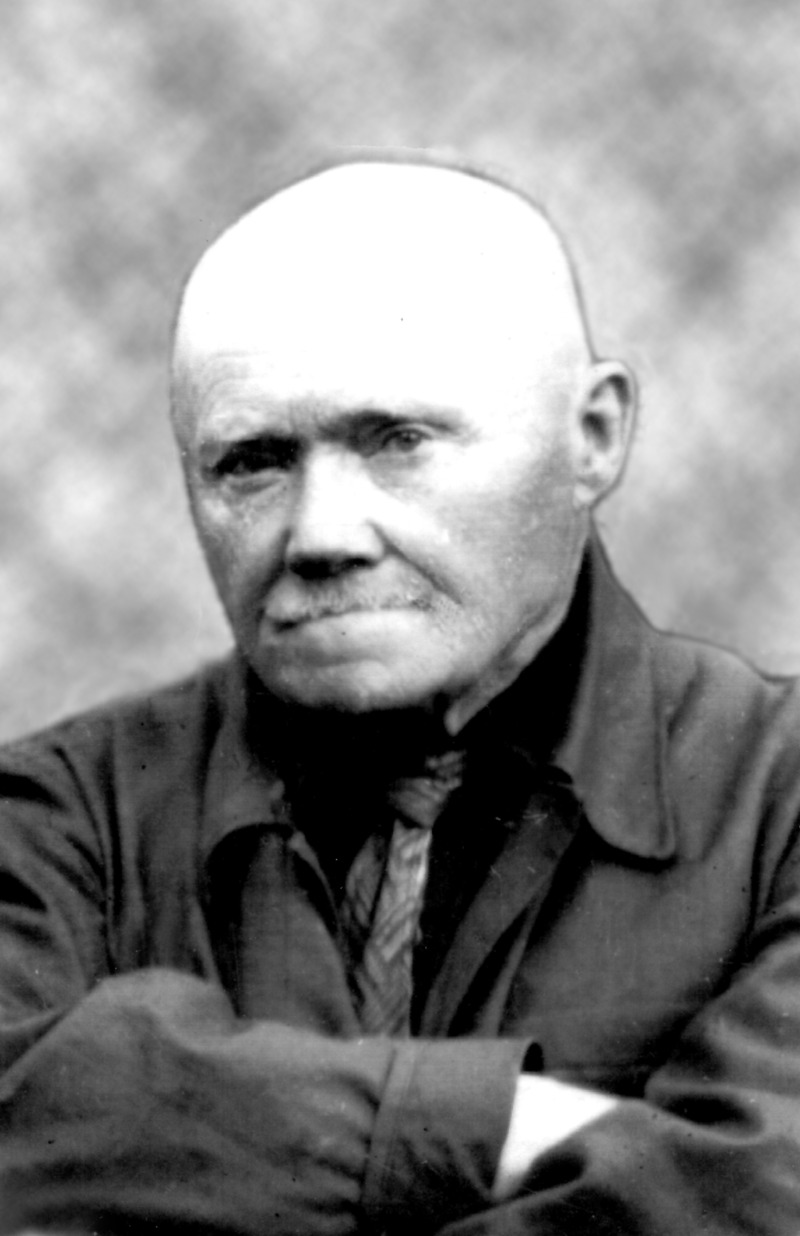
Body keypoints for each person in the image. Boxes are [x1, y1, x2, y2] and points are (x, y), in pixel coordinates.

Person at [2, 155, 800, 1236]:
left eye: (399, 443)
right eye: (252, 463)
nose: (322, 534)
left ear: (593, 437)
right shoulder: (56, 823)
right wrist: (504, 1126)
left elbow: (758, 1204)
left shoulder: (778, 802)